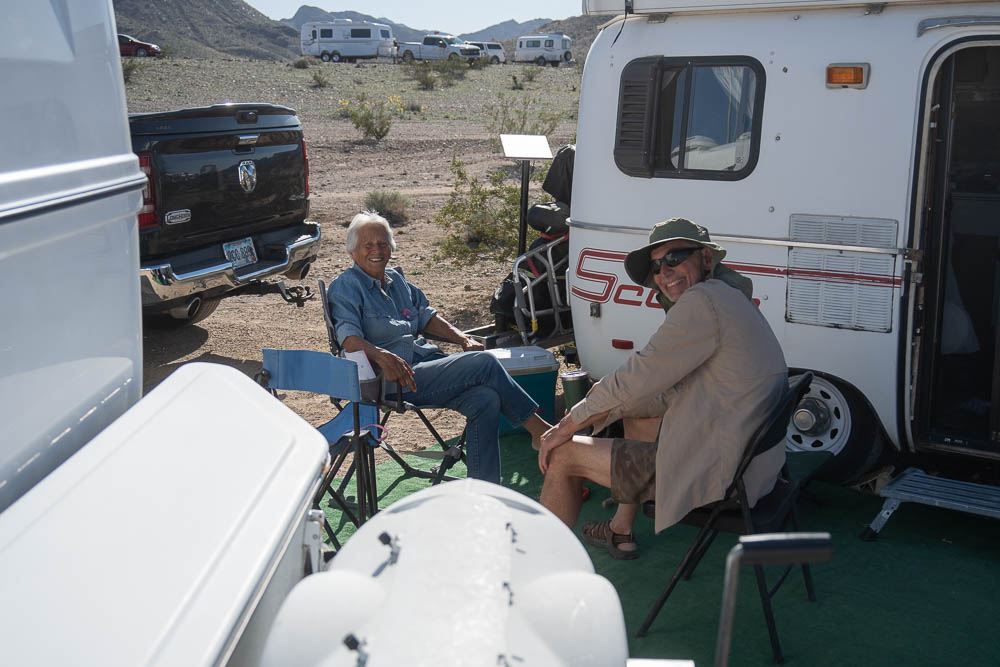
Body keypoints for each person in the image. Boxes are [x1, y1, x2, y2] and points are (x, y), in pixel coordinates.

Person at [538, 218, 788, 559]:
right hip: (756, 466)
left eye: (674, 257)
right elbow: (661, 388)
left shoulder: (702, 303)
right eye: (656, 266)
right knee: (636, 414)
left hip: (723, 475)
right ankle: (620, 530)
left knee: (563, 454)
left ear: (705, 258)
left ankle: (542, 563)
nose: (664, 272)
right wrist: (606, 409)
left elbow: (638, 376)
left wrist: (567, 425)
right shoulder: (728, 297)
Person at [327, 211, 552, 483]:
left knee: (485, 399)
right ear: (352, 251)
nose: (377, 250)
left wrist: (462, 338)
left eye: (383, 243)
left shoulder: (396, 281)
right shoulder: (345, 287)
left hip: (425, 366)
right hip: (391, 380)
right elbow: (349, 340)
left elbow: (426, 316)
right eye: (368, 245)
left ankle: (483, 489)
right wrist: (383, 356)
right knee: (485, 363)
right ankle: (541, 432)